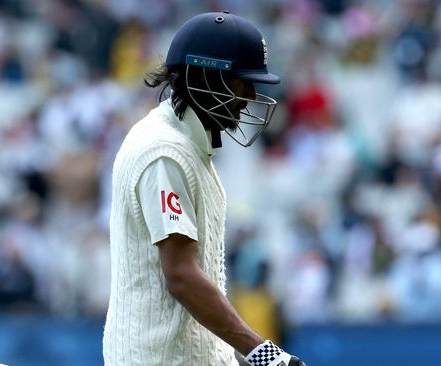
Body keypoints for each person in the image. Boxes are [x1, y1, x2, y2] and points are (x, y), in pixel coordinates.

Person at [102, 11, 306, 366]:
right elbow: (181, 276)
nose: (250, 98)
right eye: (244, 83)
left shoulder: (189, 145)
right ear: (208, 77)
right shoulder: (163, 151)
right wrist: (265, 355)